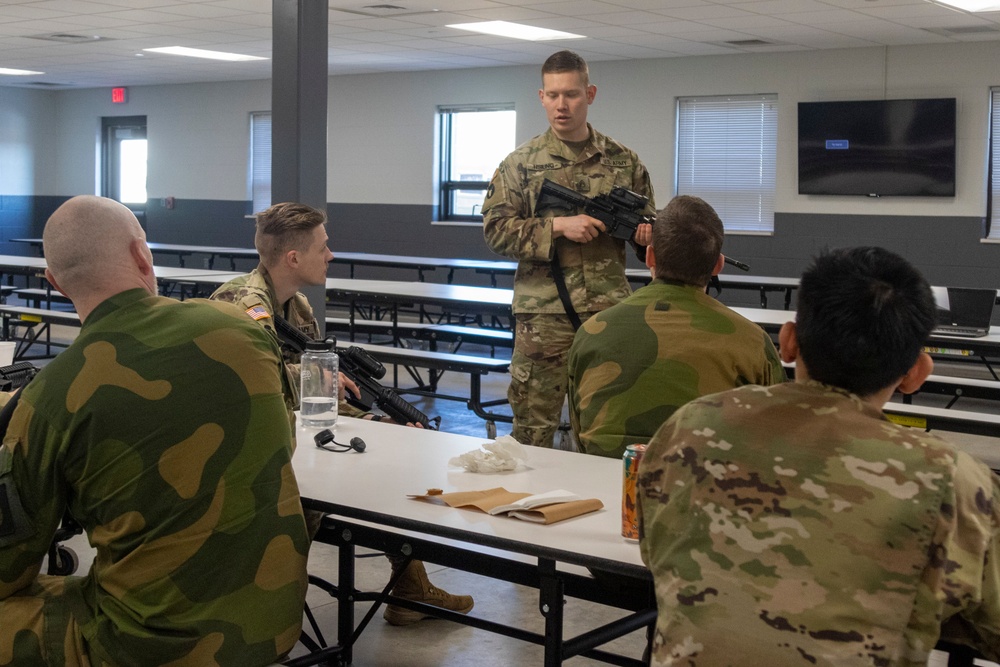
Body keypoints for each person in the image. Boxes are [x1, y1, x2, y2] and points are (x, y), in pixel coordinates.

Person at [638, 246, 1000, 666]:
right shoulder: (950, 479)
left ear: (788, 342)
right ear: (917, 373)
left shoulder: (689, 427)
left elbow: (655, 552)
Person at [0, 195, 309, 666]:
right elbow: (282, 440)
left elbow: (9, 568)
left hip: (148, 647)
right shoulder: (241, 328)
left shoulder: (50, 395)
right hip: (274, 625)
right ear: (143, 255)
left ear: (54, 282)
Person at [211, 201, 473, 626]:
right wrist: (317, 380)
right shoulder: (243, 306)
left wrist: (371, 420)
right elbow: (253, 387)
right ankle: (266, 615)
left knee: (391, 463)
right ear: (294, 257)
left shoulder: (297, 308)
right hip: (245, 450)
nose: (331, 256)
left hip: (289, 437)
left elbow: (320, 394)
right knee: (305, 503)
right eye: (323, 247)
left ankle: (409, 589)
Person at [482, 49, 655, 449]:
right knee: (533, 430)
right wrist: (558, 226)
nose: (562, 105)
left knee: (603, 426)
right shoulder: (519, 165)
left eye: (572, 94)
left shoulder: (624, 161)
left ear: (590, 94)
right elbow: (496, 232)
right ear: (541, 96)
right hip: (543, 318)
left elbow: (646, 224)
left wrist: (644, 235)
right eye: (554, 95)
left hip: (607, 313)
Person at [567, 195, 784, 459]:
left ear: (649, 256)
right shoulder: (752, 341)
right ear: (718, 265)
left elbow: (579, 430)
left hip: (605, 486)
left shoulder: (591, 332)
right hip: (706, 491)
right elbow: (772, 438)